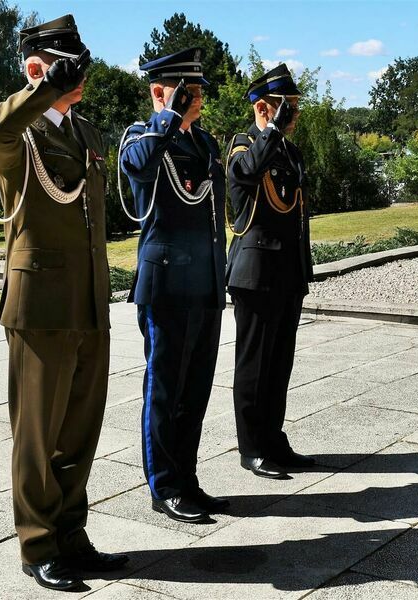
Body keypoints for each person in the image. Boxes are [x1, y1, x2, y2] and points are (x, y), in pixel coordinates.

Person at [0, 14, 127, 592]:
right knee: (37, 434)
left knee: (80, 428)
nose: (77, 73)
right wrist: (40, 90)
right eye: (64, 62)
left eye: (78, 62)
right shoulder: (20, 134)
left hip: (87, 301)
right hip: (39, 305)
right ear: (36, 64)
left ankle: (71, 534)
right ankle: (37, 544)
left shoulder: (83, 134)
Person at [119, 48, 228, 523]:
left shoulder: (202, 143)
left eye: (199, 91)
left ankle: (187, 476)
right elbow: (139, 168)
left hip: (202, 282)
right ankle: (163, 485)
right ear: (161, 91)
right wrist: (167, 116)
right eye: (189, 92)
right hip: (164, 286)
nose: (197, 100)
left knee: (196, 387)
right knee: (165, 388)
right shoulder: (142, 135)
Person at [226, 63, 315, 479]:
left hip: (285, 273)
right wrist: (270, 129)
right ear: (265, 107)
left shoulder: (289, 152)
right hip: (255, 273)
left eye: (294, 108)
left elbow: (297, 215)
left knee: (280, 364)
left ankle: (274, 439)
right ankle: (252, 447)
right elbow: (246, 176)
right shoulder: (243, 147)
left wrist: (302, 270)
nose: (293, 115)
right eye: (287, 108)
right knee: (254, 363)